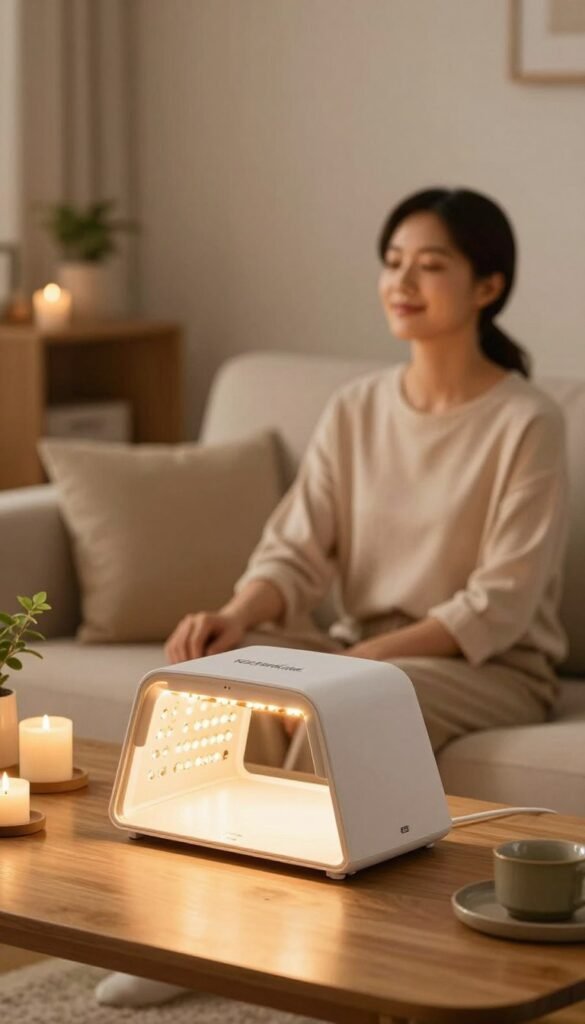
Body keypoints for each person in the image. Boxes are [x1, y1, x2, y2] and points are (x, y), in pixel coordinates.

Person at [96, 186, 568, 1007]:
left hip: (488, 661)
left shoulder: (526, 420)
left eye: (430, 265)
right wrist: (239, 614)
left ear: (486, 287)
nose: (401, 282)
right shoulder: (355, 408)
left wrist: (353, 667)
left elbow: (498, 603)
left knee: (349, 708)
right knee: (222, 687)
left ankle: (347, 956)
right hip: (358, 645)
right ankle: (179, 939)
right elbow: (296, 548)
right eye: (391, 264)